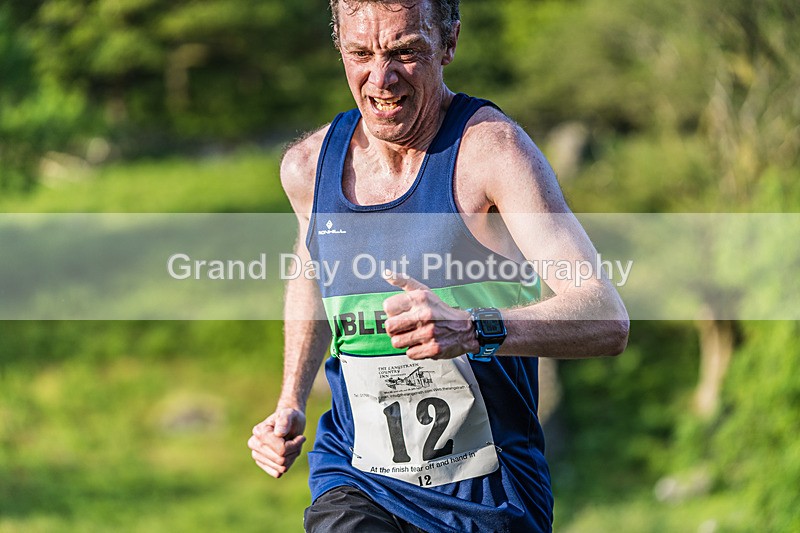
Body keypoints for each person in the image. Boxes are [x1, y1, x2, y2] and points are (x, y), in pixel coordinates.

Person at [248, 0, 629, 531]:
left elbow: (605, 318)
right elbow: (312, 275)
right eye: (360, 53)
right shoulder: (309, 167)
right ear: (339, 48)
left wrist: (472, 328)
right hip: (359, 480)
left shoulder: (492, 153)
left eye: (405, 52)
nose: (381, 79)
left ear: (449, 43)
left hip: (488, 498)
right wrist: (290, 398)